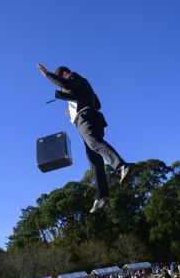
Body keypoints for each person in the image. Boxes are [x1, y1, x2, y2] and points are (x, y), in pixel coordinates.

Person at [37, 63, 134, 213]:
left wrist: (48, 75)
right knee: (94, 160)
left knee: (94, 143)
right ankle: (102, 196)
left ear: (64, 74)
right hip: (91, 118)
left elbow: (67, 84)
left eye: (62, 80)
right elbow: (98, 103)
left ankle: (121, 166)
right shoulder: (81, 85)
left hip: (86, 118)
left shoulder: (72, 76)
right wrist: (74, 105)